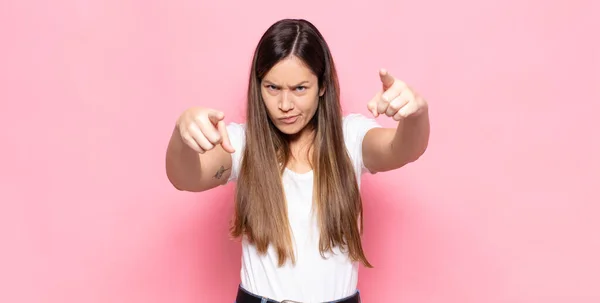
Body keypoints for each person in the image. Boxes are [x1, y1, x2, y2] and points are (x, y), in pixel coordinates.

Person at [165, 18, 430, 303]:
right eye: (272, 88)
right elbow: (185, 178)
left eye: (300, 88)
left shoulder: (350, 138)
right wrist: (182, 134)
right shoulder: (243, 143)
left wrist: (416, 113)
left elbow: (404, 149)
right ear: (259, 86)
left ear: (322, 86)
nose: (285, 105)